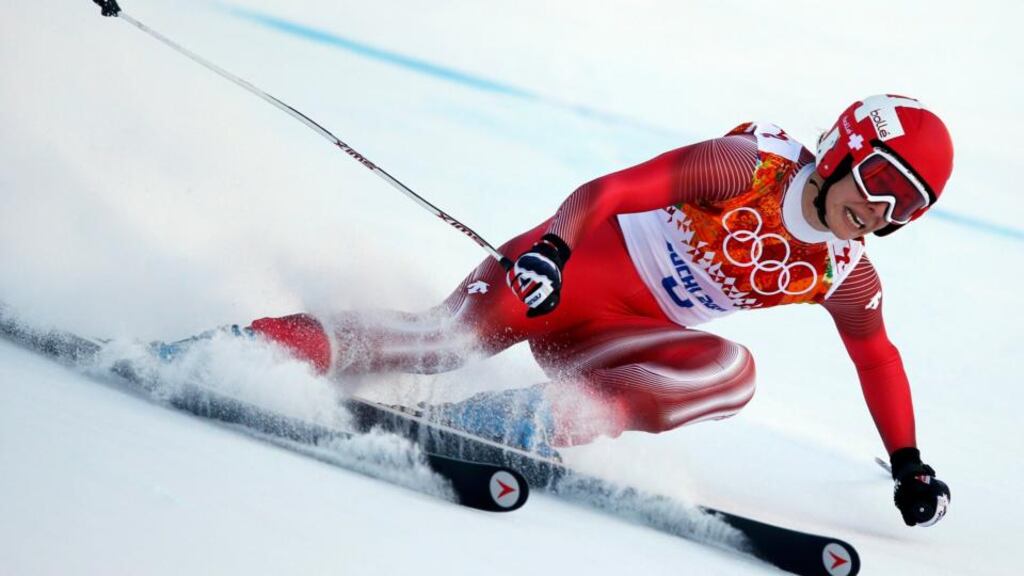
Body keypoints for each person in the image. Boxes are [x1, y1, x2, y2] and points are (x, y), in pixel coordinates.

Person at [184, 94, 953, 527]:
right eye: (881, 181)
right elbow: (610, 192)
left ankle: (528, 421)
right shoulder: (745, 168)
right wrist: (552, 249)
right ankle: (262, 344)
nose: (880, 210)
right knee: (441, 343)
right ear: (847, 149)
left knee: (732, 372)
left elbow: (876, 356)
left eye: (907, 207)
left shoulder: (842, 273)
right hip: (568, 272)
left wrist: (910, 464)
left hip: (609, 343)